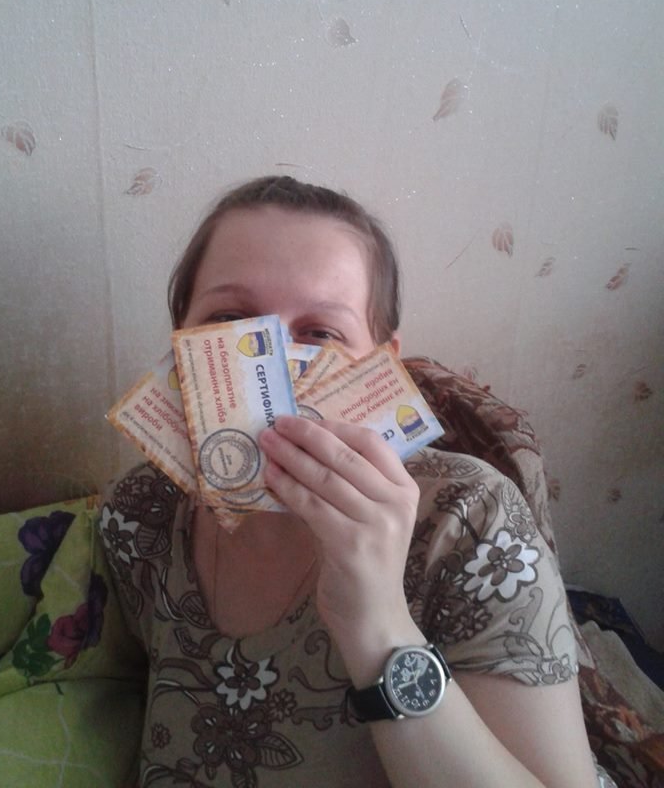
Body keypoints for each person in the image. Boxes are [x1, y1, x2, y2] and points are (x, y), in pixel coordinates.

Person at [98, 175, 606, 787]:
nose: (270, 366)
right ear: (181, 341)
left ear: (382, 366)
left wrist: (377, 621)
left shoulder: (471, 519)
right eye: (229, 318)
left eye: (320, 333)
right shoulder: (140, 513)